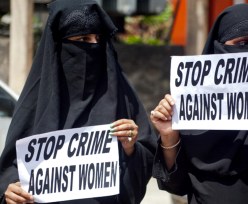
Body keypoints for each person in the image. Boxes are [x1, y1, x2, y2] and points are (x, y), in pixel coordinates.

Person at [0, 0, 157, 203]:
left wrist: (130, 148)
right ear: (60, 44)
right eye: (83, 38)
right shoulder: (35, 104)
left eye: (98, 38)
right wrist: (10, 193)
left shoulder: (121, 97)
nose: (93, 46)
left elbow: (147, 163)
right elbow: (9, 176)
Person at [150, 3, 248, 203]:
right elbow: (176, 185)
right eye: (244, 43)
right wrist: (169, 137)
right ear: (219, 47)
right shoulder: (191, 104)